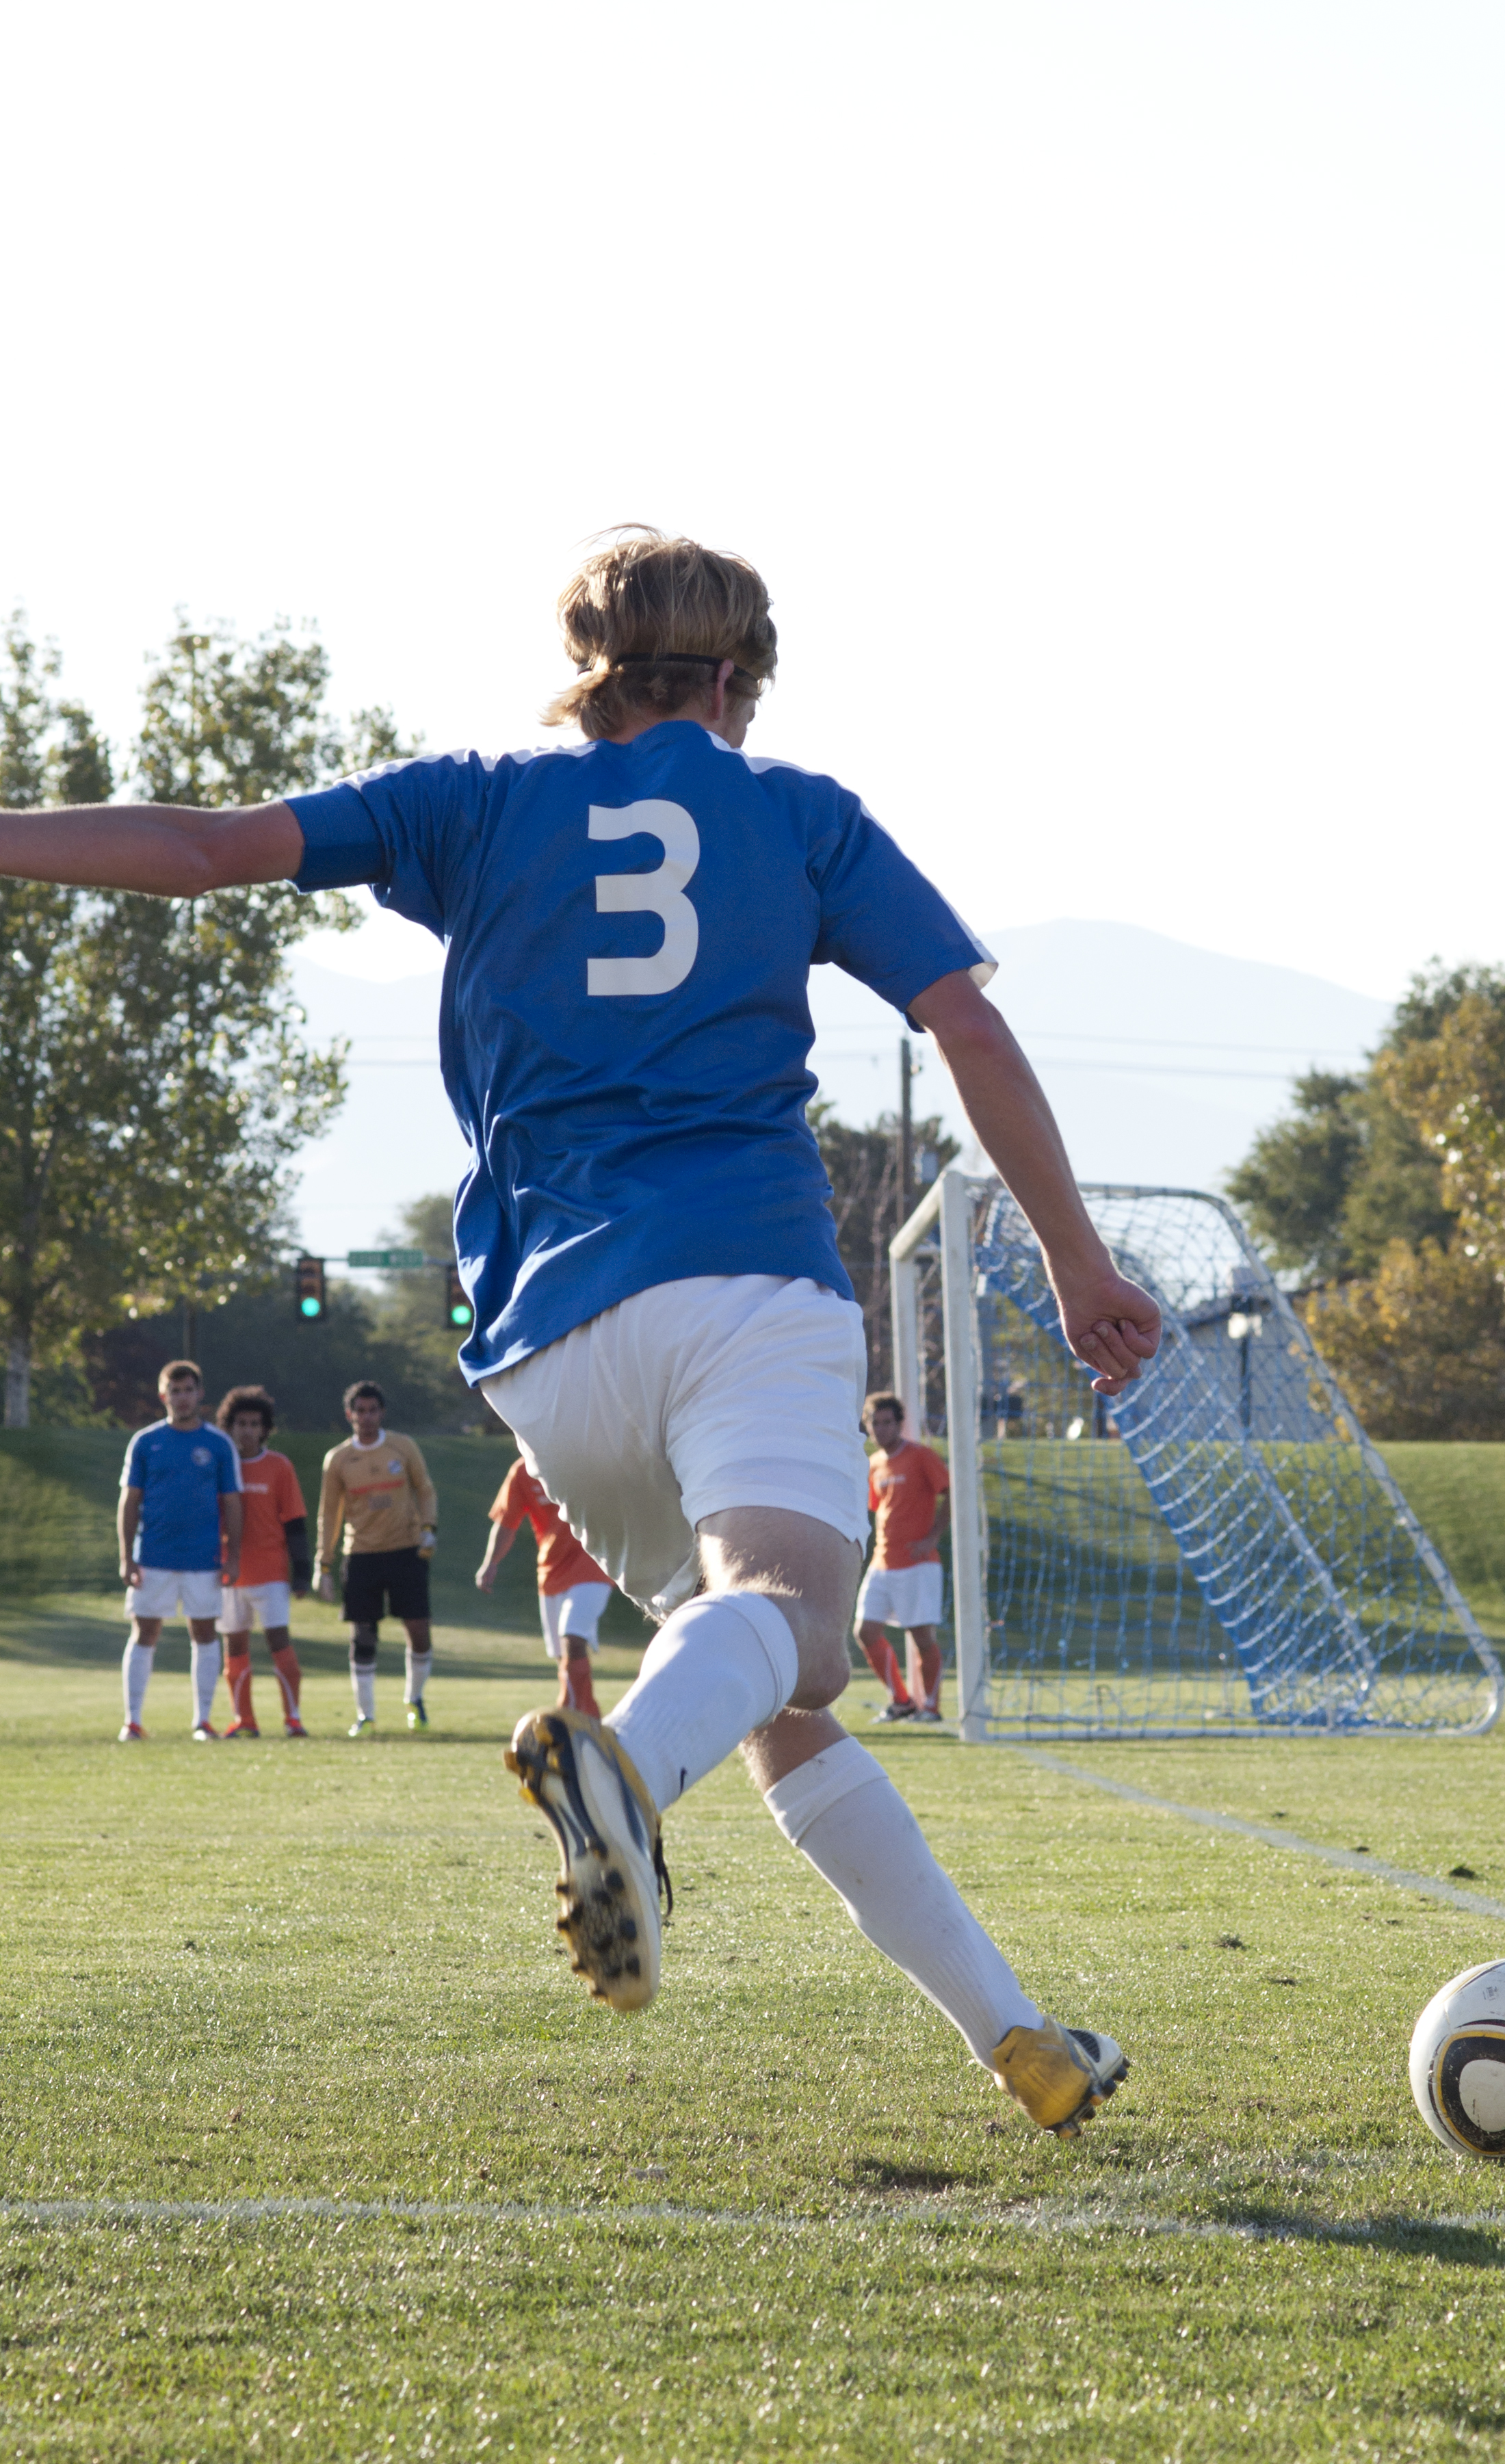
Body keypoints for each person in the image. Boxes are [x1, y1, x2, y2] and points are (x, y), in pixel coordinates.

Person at [0, 531, 1160, 2139]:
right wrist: (1077, 1257)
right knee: (799, 1630)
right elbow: (960, 1017)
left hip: (548, 1341)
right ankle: (617, 1773)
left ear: (587, 665)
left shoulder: (472, 798)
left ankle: (1016, 2037)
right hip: (743, 1277)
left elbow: (202, 848)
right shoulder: (799, 812)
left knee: (768, 1685)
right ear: (740, 677)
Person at [116, 1361, 245, 1742]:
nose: (182, 1397)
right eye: (175, 1391)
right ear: (163, 1396)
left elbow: (234, 1503)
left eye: (188, 1390)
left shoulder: (219, 1444)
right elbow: (129, 1501)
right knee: (144, 1633)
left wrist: (233, 1556)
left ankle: (202, 1722)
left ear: (200, 1394)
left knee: (205, 1634)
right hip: (153, 1556)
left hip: (203, 1559)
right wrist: (127, 1556)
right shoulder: (144, 1441)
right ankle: (133, 1722)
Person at [315, 1382, 438, 1736]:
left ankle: (415, 1699)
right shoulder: (337, 1459)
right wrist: (323, 1564)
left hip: (405, 1550)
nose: (366, 1417)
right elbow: (329, 1515)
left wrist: (429, 1527)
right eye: (360, 1411)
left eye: (372, 1410)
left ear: (382, 1413)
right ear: (349, 1415)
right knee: (363, 1635)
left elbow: (425, 1489)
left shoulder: (403, 1447)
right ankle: (365, 1716)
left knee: (418, 1629)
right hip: (361, 1554)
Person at [476, 1459, 612, 1719]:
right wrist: (490, 1564)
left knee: (573, 1637)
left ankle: (567, 1713)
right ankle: (589, 1718)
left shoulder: (582, 1454)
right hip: (551, 1570)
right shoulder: (521, 1471)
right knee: (564, 1654)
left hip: (594, 1563)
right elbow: (507, 1522)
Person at [213, 1383, 312, 1739]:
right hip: (229, 1572)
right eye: (241, 1423)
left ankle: (294, 1719)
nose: (248, 1431)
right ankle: (245, 1721)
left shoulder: (279, 1466)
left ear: (265, 1428)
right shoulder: (220, 1464)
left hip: (271, 1573)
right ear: (230, 1426)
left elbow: (296, 1523)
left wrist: (301, 1574)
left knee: (279, 1642)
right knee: (234, 1646)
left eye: (255, 1424)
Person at [855, 1392, 950, 1722]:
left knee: (922, 1637)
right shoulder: (874, 1464)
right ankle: (901, 1701)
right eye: (874, 1423)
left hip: (917, 1564)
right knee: (865, 1632)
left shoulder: (921, 1456)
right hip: (882, 1562)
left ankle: (932, 1708)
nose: (881, 1429)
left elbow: (950, 1491)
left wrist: (933, 1537)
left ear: (899, 1424)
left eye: (887, 1422)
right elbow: (879, 1509)